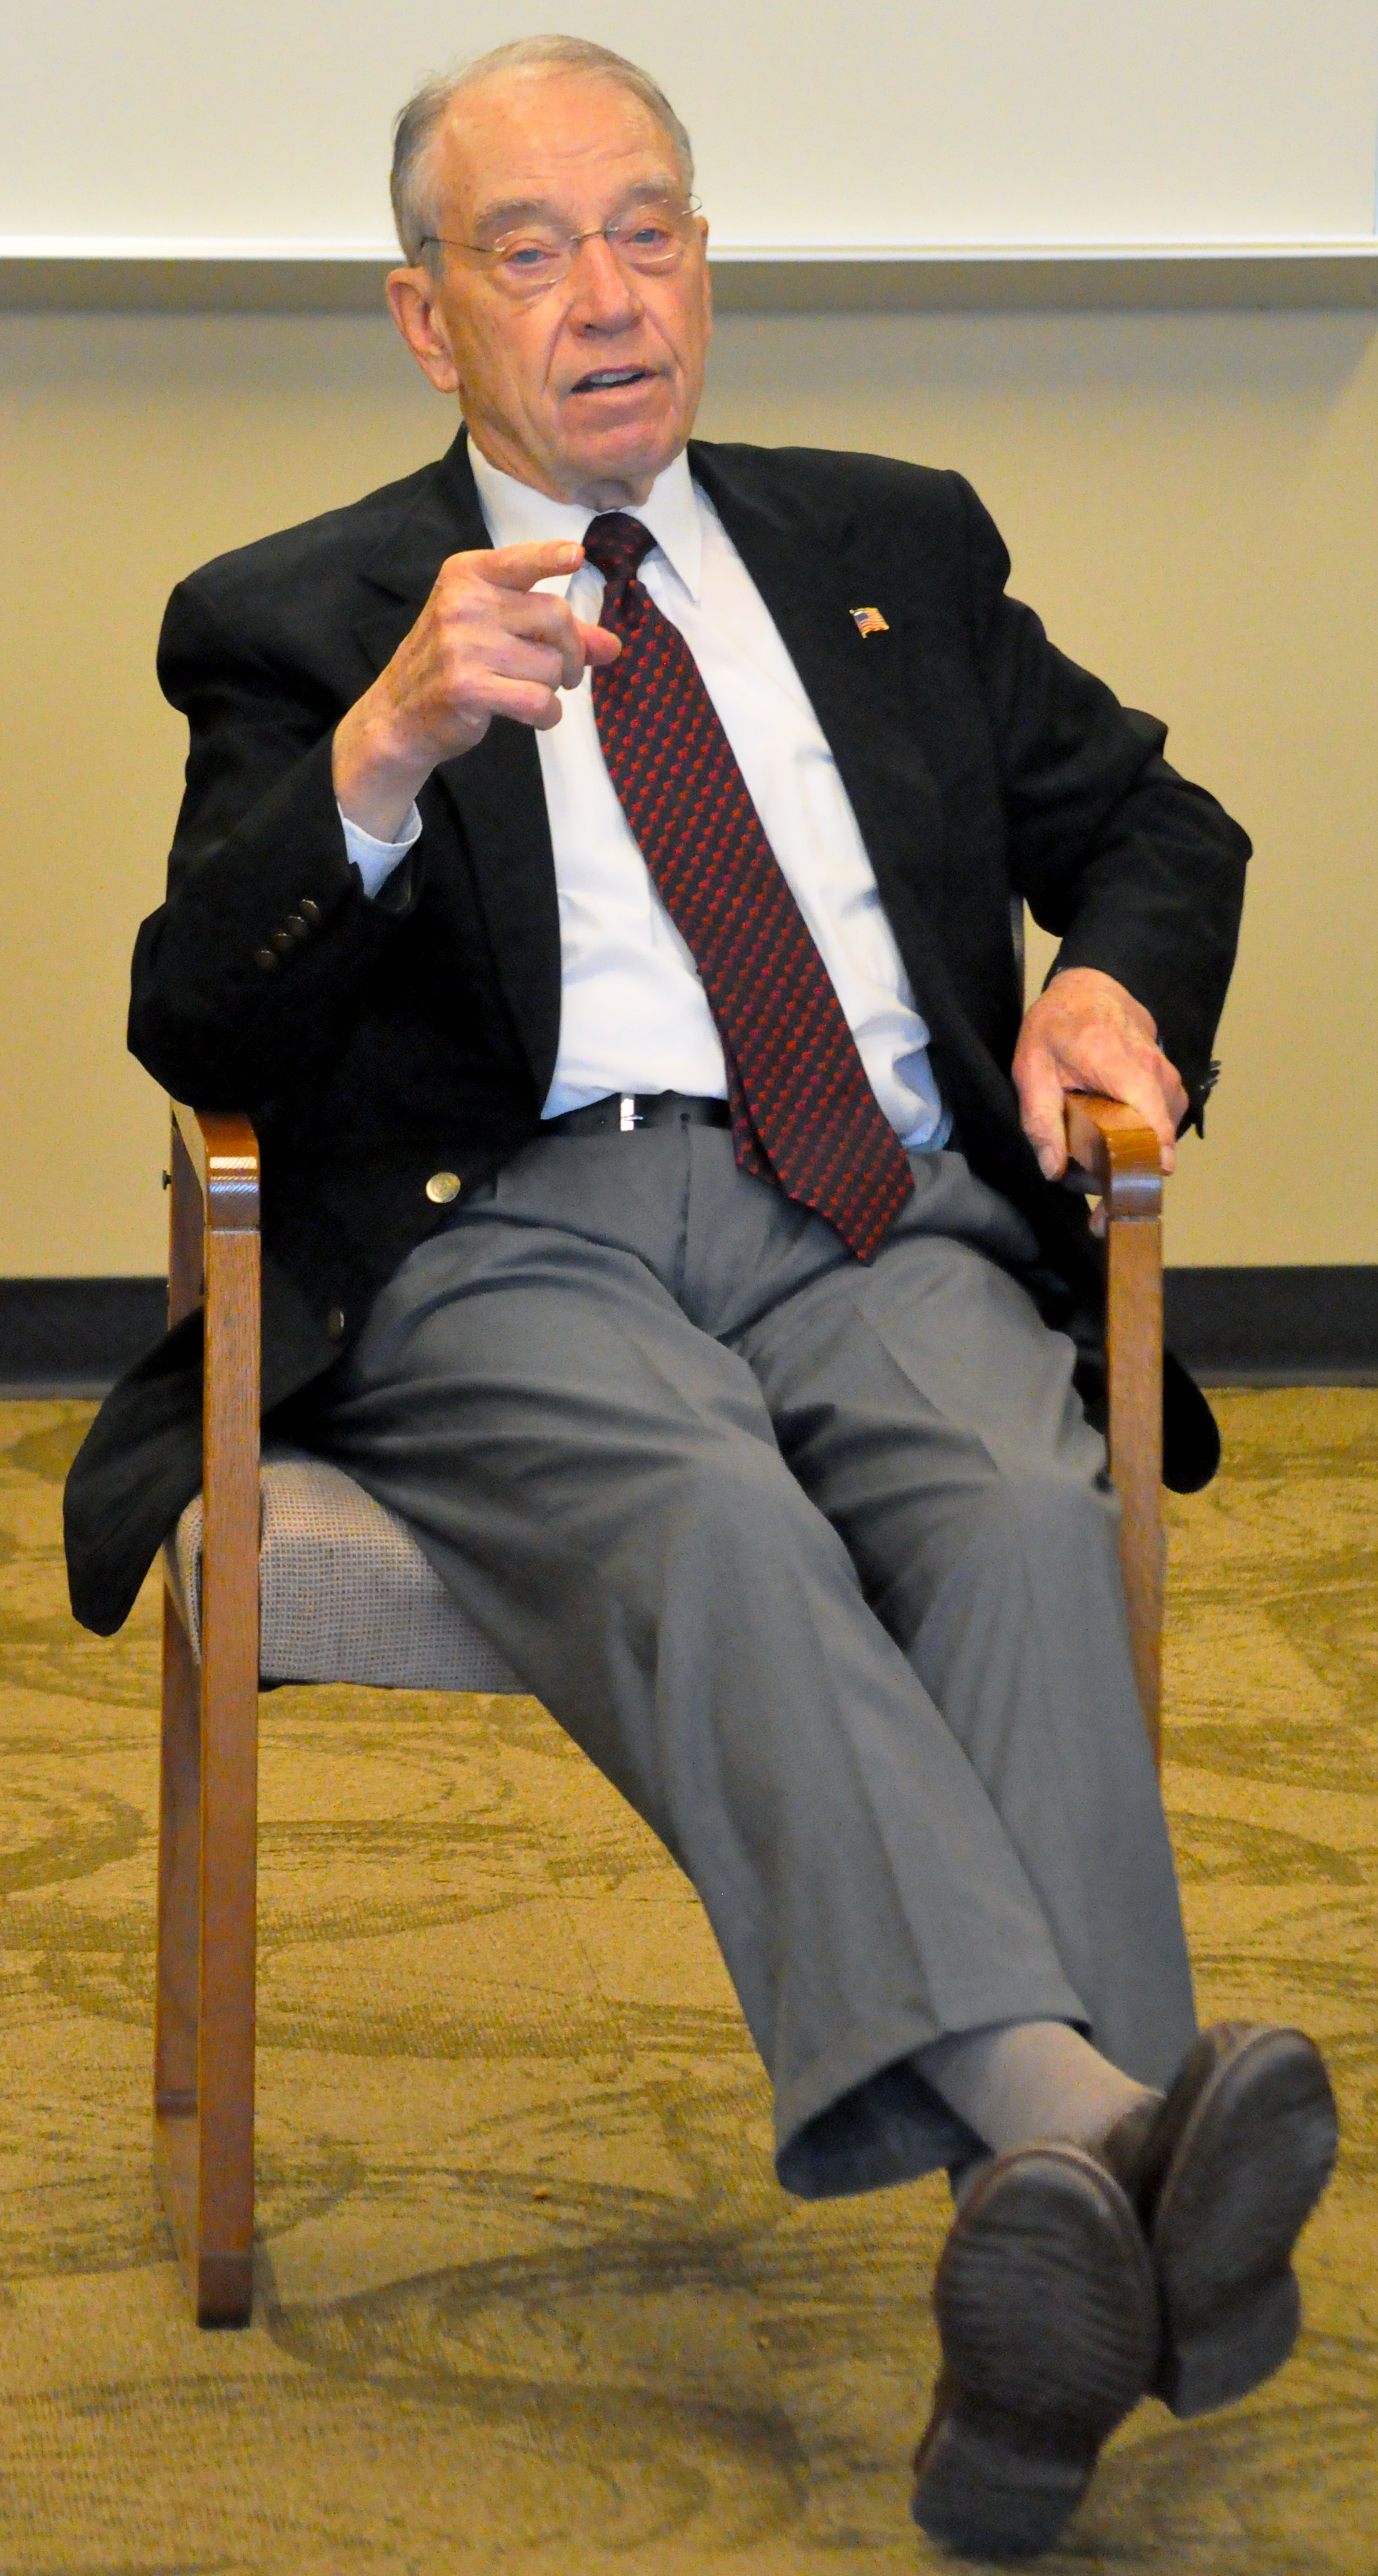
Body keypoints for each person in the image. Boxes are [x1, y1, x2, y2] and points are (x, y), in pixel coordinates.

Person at [64, 36, 1337, 2558]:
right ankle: (1097, 2128)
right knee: (709, 1512)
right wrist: (380, 758)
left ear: (705, 266)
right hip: (505, 1238)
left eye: (647, 233)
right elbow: (200, 1017)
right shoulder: (300, 613)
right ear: (426, 317)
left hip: (863, 1197)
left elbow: (1154, 818)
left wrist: (1115, 989)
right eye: (531, 251)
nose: (608, 296)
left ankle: (1041, 2292)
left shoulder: (891, 541)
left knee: (1010, 1498)